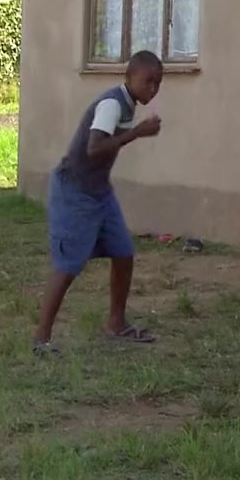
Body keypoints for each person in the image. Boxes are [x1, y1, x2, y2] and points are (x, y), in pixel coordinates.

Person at [32, 51, 164, 355]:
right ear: (129, 77)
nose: (153, 88)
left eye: (158, 83)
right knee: (68, 265)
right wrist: (137, 133)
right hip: (75, 191)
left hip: (99, 192)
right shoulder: (111, 104)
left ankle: (116, 324)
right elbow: (94, 148)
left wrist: (135, 131)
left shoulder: (127, 104)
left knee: (123, 252)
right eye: (148, 81)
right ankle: (41, 339)